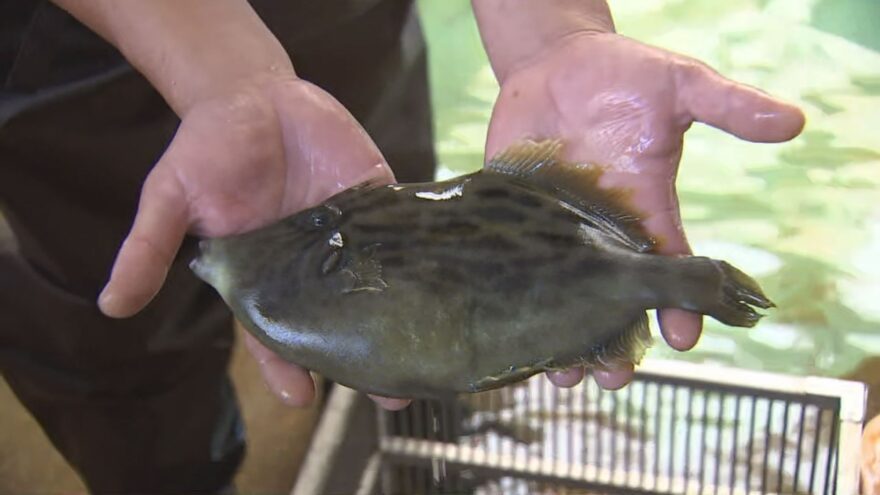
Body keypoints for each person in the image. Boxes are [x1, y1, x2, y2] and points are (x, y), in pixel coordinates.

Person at [0, 0, 805, 493]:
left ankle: (439, 452)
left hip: (341, 20)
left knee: (381, 158)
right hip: (84, 44)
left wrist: (548, 30)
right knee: (118, 343)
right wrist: (219, 75)